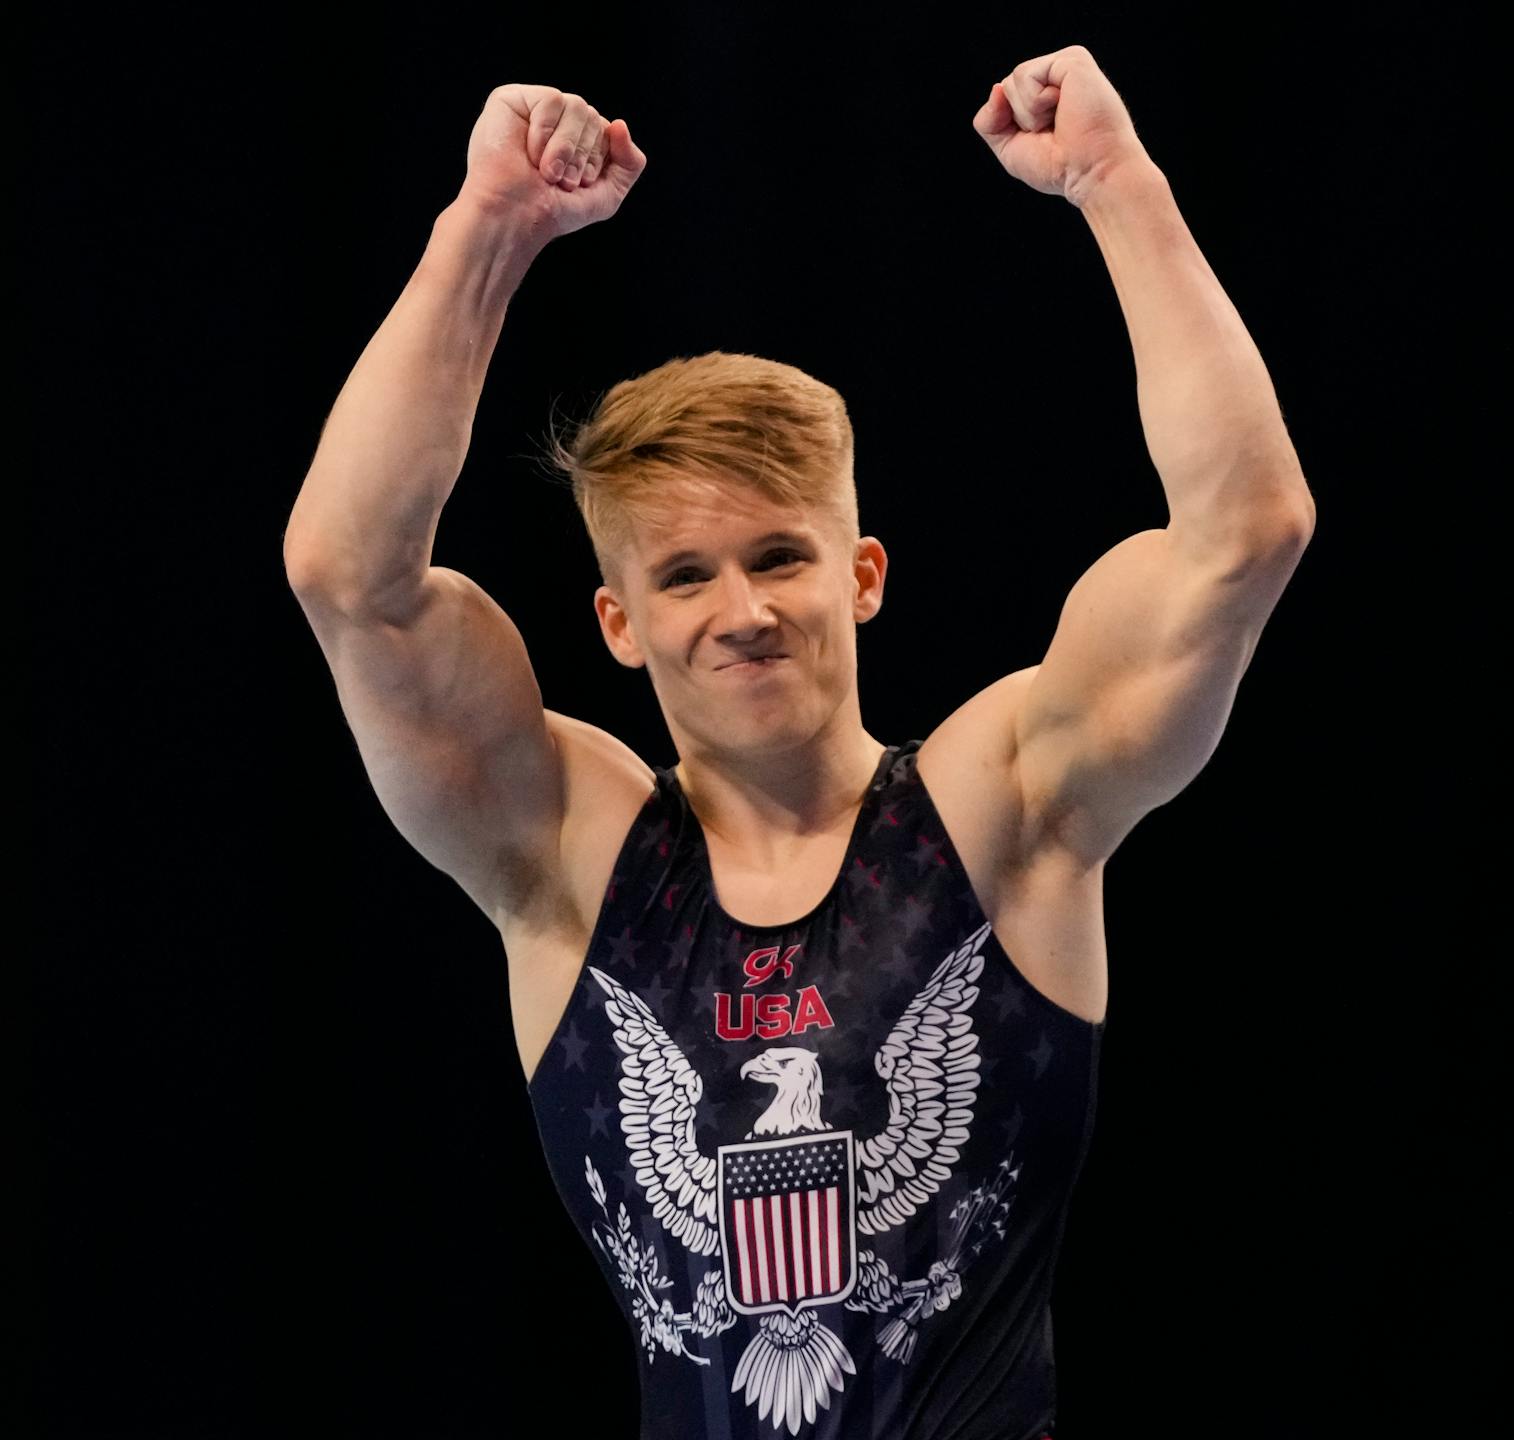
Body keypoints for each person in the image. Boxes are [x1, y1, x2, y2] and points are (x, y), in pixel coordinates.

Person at [284, 48, 1314, 1440]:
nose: (747, 611)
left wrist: (1117, 186)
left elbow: (1244, 536)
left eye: (782, 557)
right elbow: (350, 577)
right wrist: (488, 231)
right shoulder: (572, 853)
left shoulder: (1002, 806)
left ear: (864, 574)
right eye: (689, 577)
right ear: (619, 621)